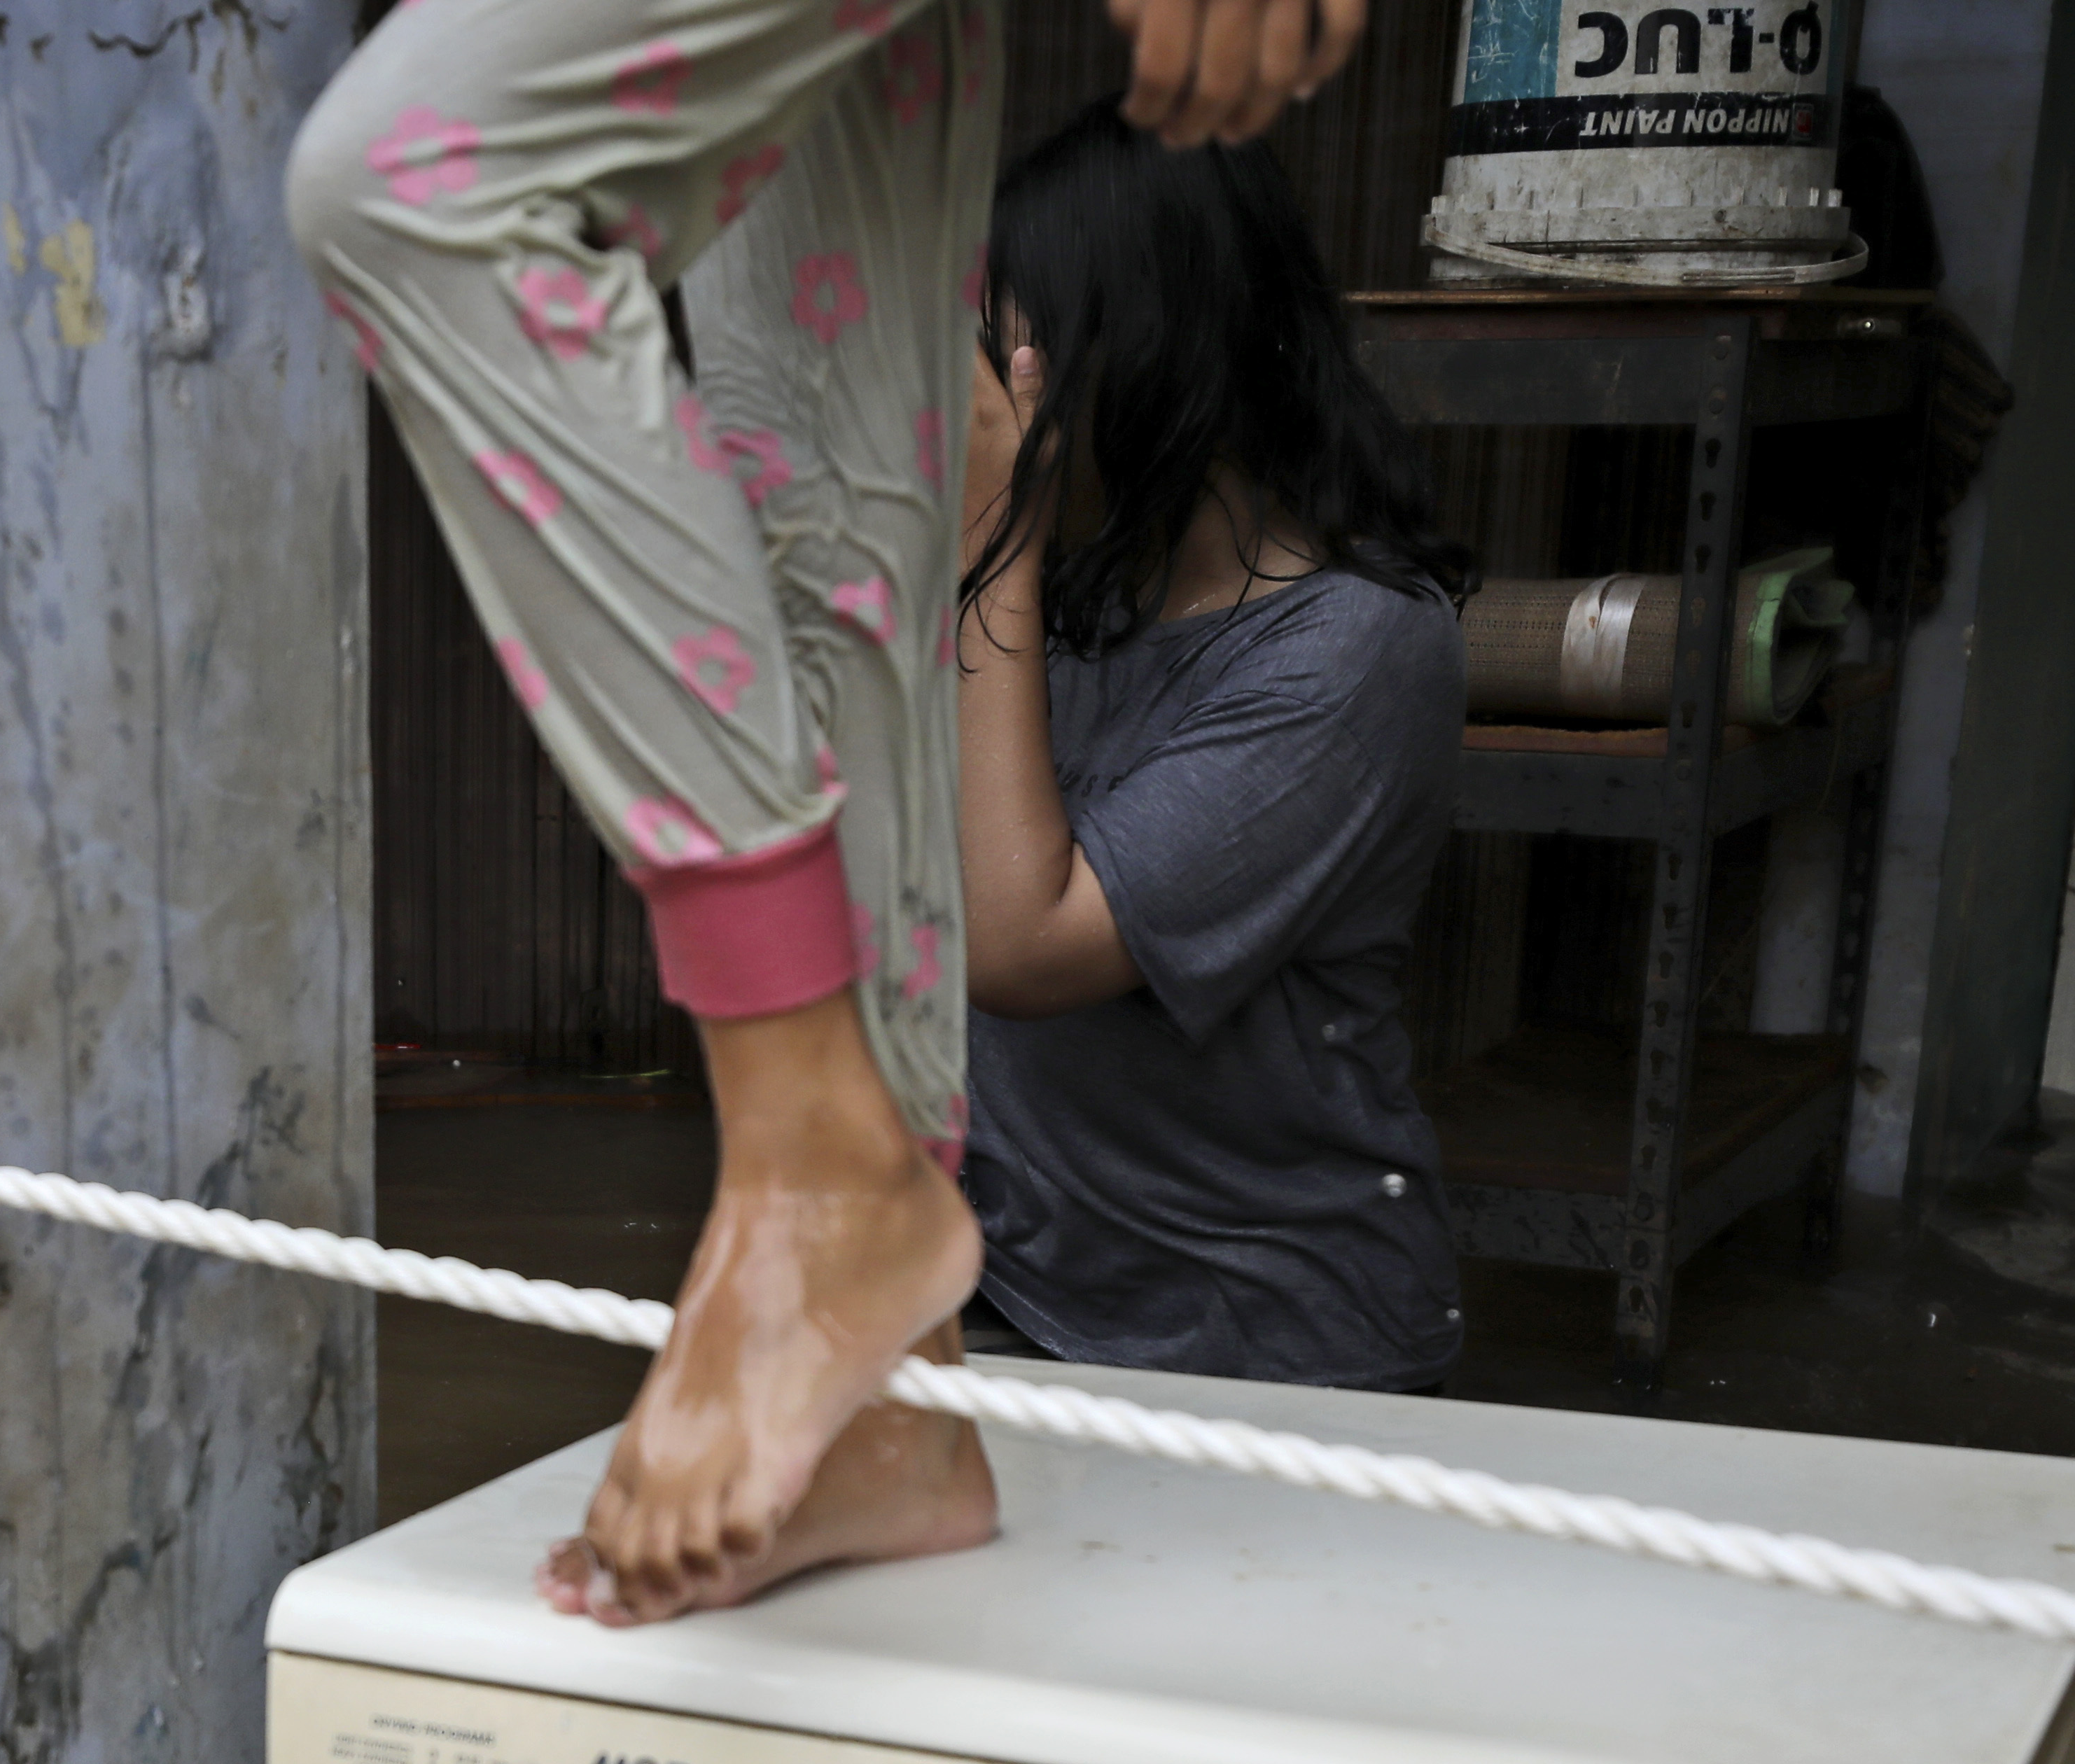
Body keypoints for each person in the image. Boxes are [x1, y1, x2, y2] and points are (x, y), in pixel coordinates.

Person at [289, 0, 1366, 1628]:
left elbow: (1029, 937)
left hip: (1262, 1296)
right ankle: (893, 1409)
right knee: (821, 443)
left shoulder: (1343, 645)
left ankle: (816, 1159)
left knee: (417, 182)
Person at [950, 104, 1472, 1392]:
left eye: (1014, 361)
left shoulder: (1354, 646)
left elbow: (1016, 946)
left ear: (1136, 355)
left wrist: (990, 541)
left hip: (1256, 1335)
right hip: (1017, 1287)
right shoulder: (1074, 594)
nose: (990, 407)